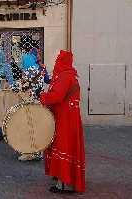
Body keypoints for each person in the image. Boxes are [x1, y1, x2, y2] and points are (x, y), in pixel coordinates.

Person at [40, 50, 85, 193]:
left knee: (64, 146)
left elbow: (57, 96)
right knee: (64, 146)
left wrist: (42, 97)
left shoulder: (65, 76)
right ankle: (63, 179)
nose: (56, 62)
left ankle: (66, 184)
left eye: (59, 60)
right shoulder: (67, 75)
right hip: (66, 116)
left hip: (66, 118)